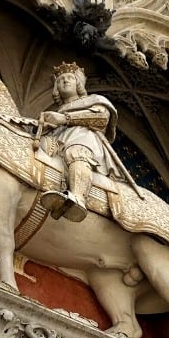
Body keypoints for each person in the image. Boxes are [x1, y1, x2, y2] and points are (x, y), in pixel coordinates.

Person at [39, 62, 131, 222]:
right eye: (60, 80)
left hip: (83, 138)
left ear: (78, 83)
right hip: (58, 140)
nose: (64, 81)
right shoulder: (55, 111)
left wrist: (65, 118)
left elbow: (101, 118)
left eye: (69, 78)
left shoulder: (95, 100)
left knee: (75, 153)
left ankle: (77, 198)